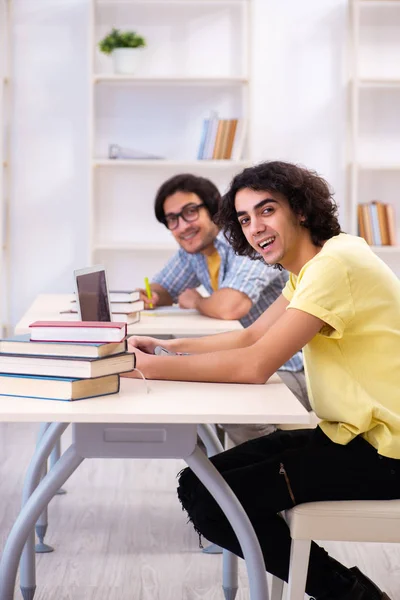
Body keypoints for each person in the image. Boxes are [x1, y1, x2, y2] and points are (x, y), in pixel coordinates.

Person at [127, 161, 400, 599]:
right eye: (245, 218)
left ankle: (349, 593)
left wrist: (150, 366)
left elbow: (255, 365)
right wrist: (161, 345)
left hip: (385, 453)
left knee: (212, 499)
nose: (255, 227)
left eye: (267, 210)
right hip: (348, 436)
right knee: (200, 484)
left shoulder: (335, 264)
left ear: (301, 210)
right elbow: (252, 335)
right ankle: (347, 590)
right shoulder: (315, 265)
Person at [135, 172, 310, 444]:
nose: (183, 226)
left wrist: (196, 301)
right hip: (255, 353)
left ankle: (266, 475)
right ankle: (216, 476)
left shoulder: (250, 243)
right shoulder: (194, 252)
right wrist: (152, 297)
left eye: (190, 212)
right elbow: (163, 287)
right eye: (173, 219)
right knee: (198, 387)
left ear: (214, 208)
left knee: (226, 400)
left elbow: (231, 307)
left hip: (294, 366)